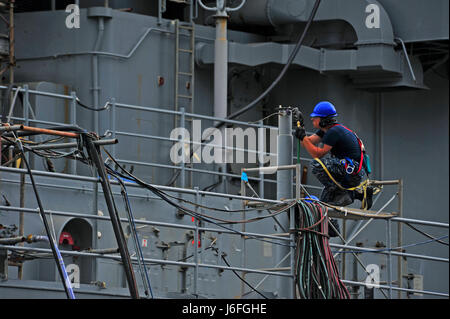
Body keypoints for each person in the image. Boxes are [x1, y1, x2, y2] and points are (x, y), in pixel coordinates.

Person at [294, 101, 373, 208]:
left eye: (315, 117)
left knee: (316, 164)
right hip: (349, 171)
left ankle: (342, 192)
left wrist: (303, 137)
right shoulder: (327, 130)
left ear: (323, 120)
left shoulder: (334, 132)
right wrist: (301, 128)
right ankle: (360, 195)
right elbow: (307, 143)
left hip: (352, 170)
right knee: (324, 205)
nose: (312, 119)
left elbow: (317, 154)